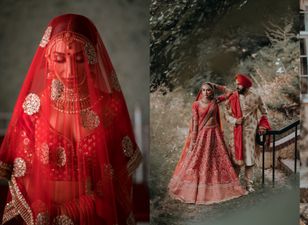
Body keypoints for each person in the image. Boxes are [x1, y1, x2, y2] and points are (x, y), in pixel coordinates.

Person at [0, 14, 142, 225]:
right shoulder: (34, 109)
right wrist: (46, 213)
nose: (70, 71)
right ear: (47, 58)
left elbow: (119, 175)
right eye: (59, 59)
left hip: (95, 215)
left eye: (79, 59)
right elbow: (22, 173)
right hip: (43, 216)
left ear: (92, 57)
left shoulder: (110, 107)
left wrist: (77, 209)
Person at [168, 83, 247, 204]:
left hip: (215, 134)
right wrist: (193, 141)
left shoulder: (215, 101)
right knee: (199, 161)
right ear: (201, 91)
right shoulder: (196, 105)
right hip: (202, 135)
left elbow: (230, 92)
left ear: (212, 91)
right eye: (203, 90)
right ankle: (196, 189)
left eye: (208, 90)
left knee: (216, 160)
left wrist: (215, 85)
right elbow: (195, 124)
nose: (205, 92)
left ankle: (218, 185)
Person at [211, 74, 271, 193]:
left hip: (250, 134)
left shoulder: (256, 97)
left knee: (249, 160)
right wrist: (234, 120)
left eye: (239, 84)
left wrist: (263, 126)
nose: (237, 86)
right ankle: (234, 184)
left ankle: (249, 185)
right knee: (235, 161)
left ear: (246, 86)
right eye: (236, 84)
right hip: (236, 133)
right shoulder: (232, 97)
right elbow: (226, 114)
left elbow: (264, 113)